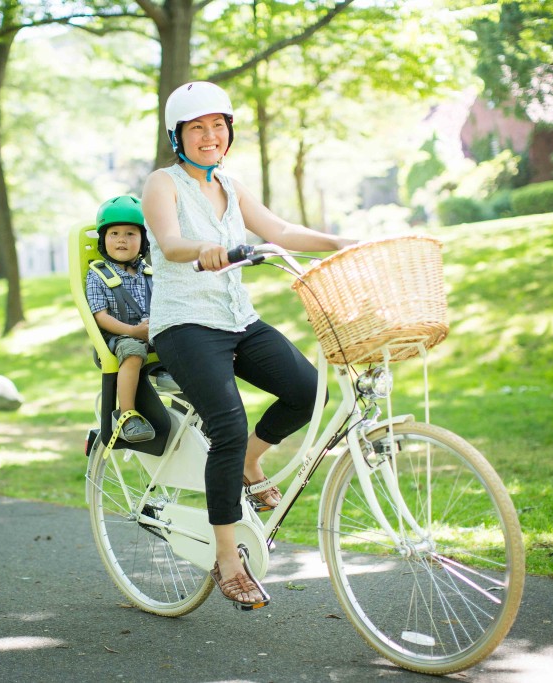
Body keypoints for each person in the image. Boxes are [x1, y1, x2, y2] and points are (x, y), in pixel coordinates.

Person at [141, 81, 357, 610]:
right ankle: (228, 556)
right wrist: (206, 248)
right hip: (185, 325)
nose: (210, 136)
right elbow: (169, 243)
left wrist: (337, 242)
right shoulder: (161, 184)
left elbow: (277, 228)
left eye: (218, 126)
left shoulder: (232, 187)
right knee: (229, 424)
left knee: (308, 393)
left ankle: (248, 464)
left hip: (238, 320)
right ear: (178, 136)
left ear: (229, 132)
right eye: (197, 128)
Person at [85, 195, 156, 443]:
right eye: (114, 233)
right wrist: (133, 331)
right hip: (119, 338)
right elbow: (101, 317)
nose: (122, 239)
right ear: (104, 240)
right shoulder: (98, 275)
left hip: (153, 333)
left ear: (143, 240)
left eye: (130, 233)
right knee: (133, 350)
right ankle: (127, 415)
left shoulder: (150, 273)